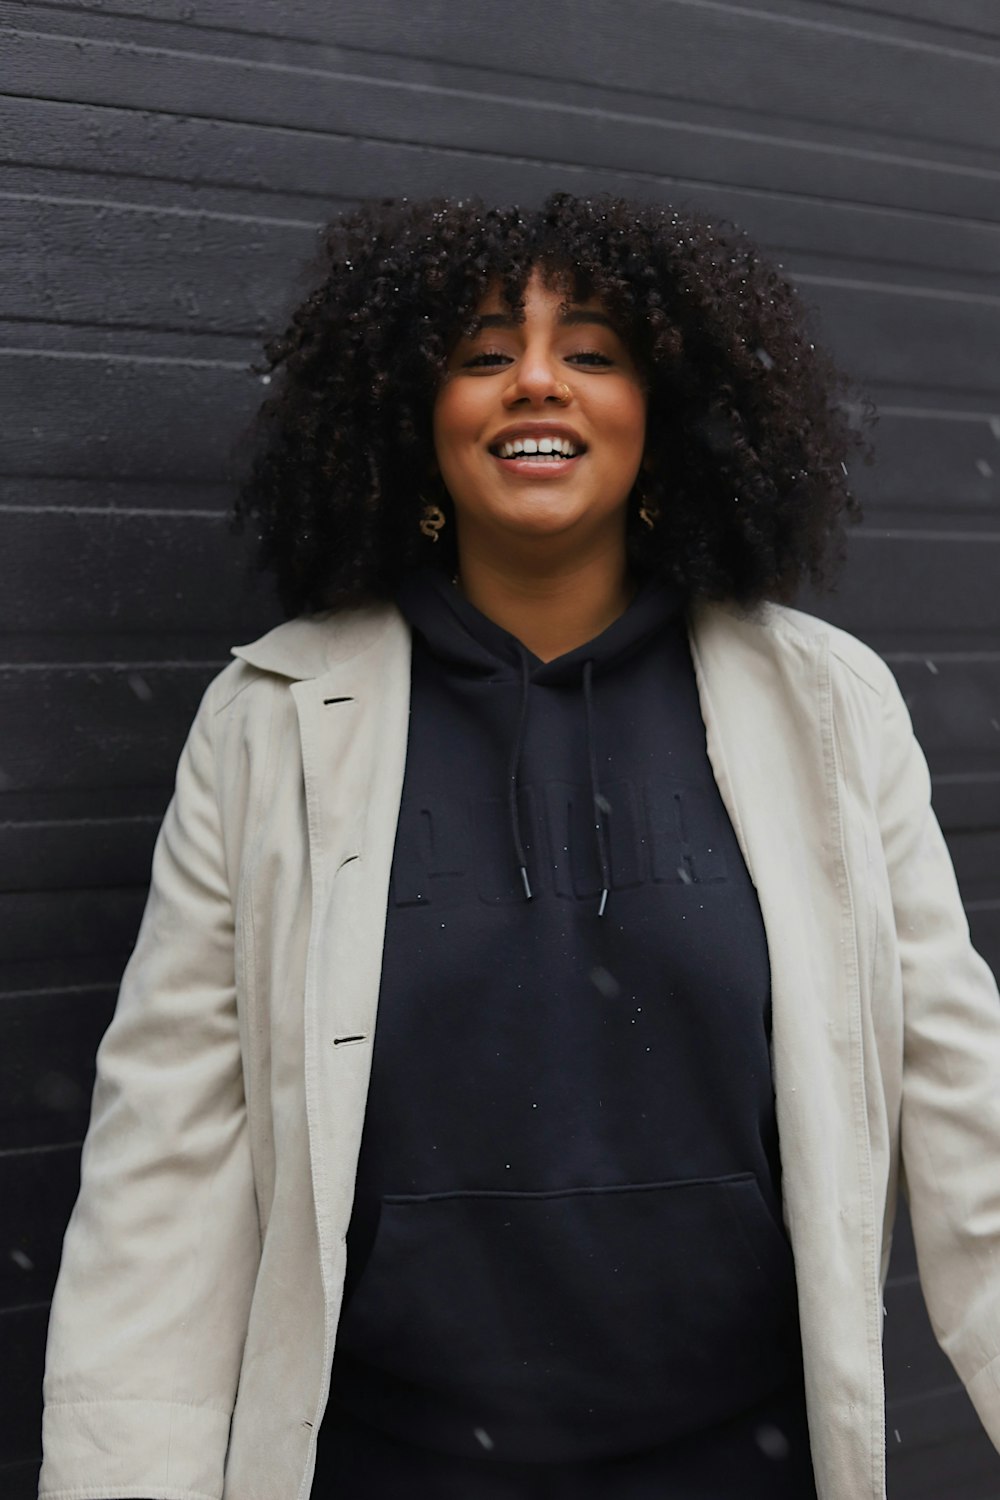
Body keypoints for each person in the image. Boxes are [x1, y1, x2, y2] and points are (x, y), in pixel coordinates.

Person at [38, 192, 1000, 1500]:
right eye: (484, 352)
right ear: (406, 413)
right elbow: (161, 1193)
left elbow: (970, 1131)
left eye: (592, 352)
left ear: (666, 411)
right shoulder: (270, 728)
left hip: (741, 1466)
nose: (536, 380)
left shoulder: (828, 710)